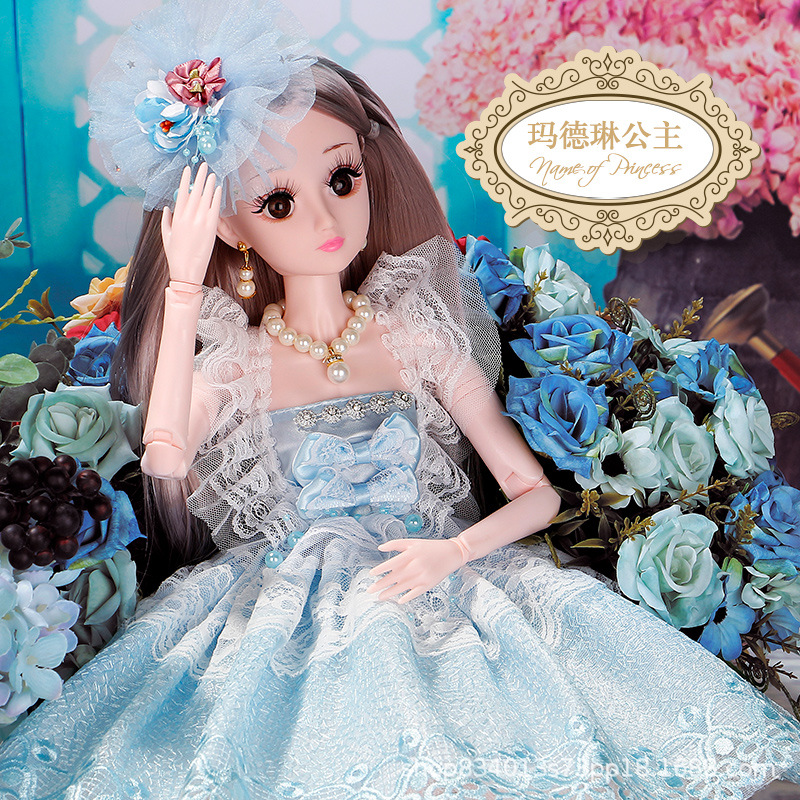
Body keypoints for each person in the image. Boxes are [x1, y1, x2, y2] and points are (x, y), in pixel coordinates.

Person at [2, 2, 800, 797]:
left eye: (341, 179)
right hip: (282, 601)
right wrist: (181, 288)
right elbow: (164, 456)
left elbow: (536, 494)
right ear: (234, 230)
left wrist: (453, 552)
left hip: (446, 577)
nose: (324, 217)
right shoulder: (237, 364)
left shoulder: (417, 335)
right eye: (278, 202)